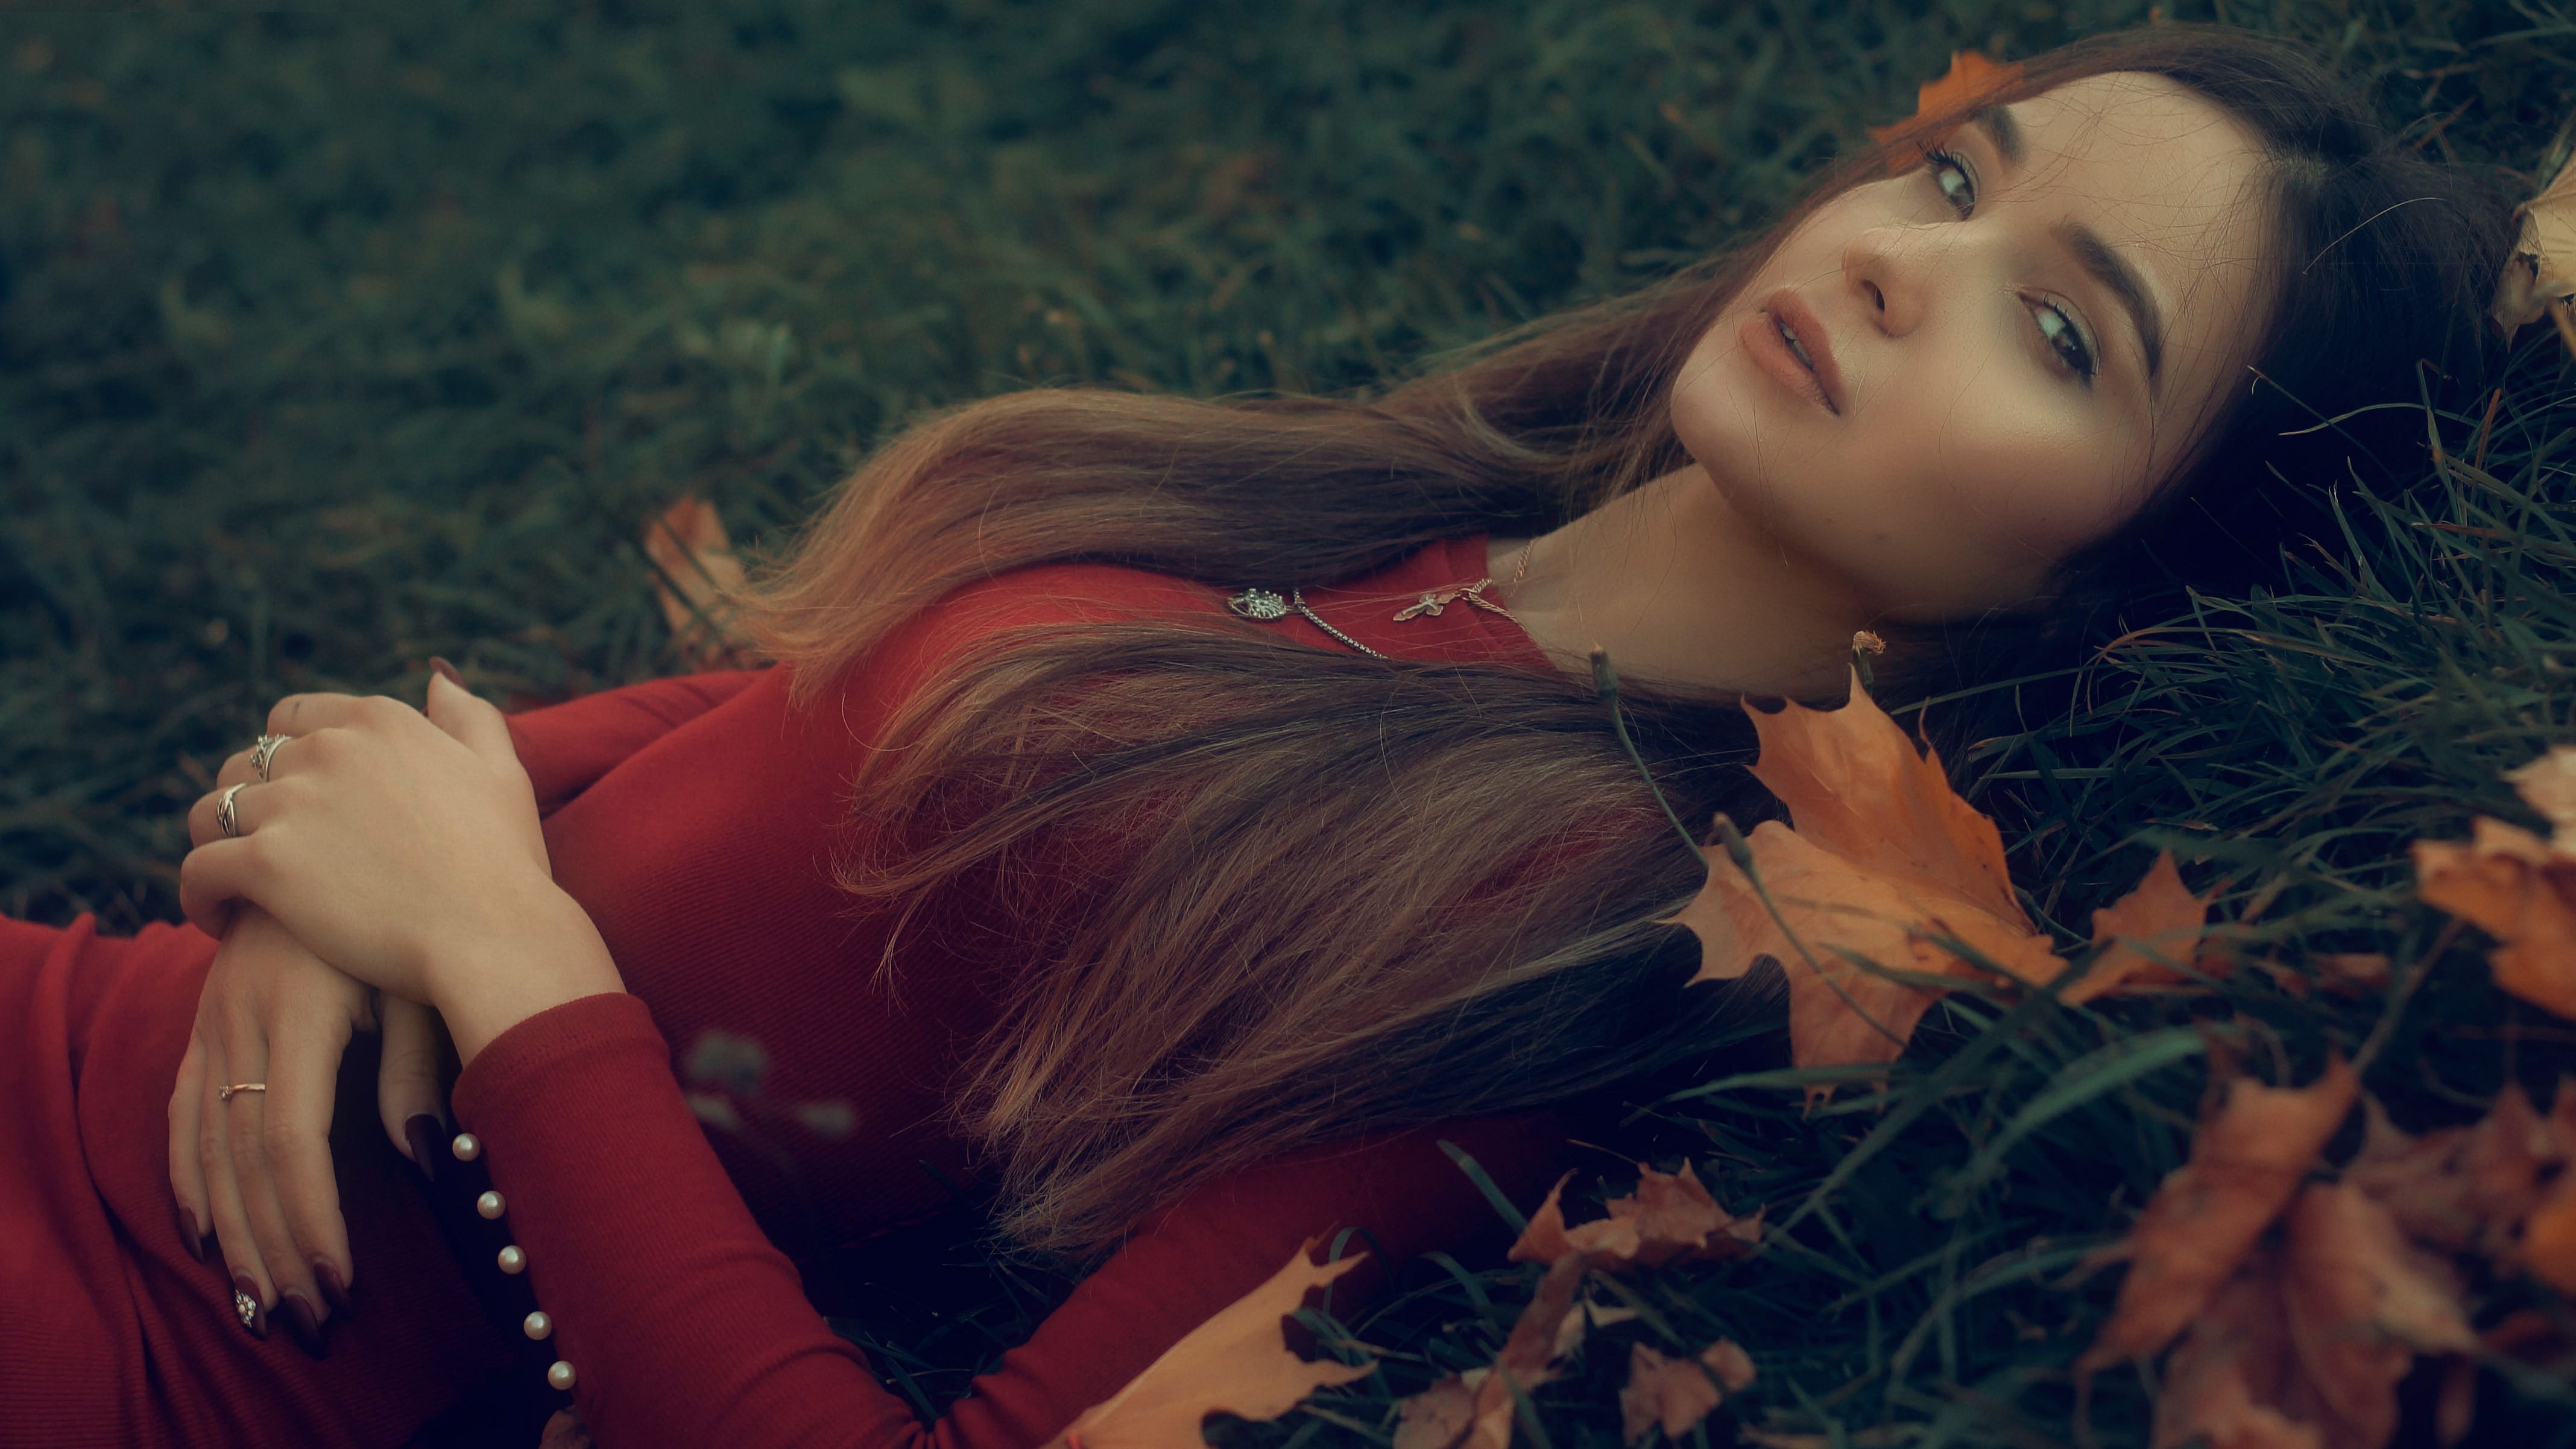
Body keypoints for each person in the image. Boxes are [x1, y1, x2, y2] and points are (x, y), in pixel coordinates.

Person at [0, 22, 2510, 1449]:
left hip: (205, 1335)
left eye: (2060, 331)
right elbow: (802, 720)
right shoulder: (1422, 513)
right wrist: (334, 861)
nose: (1897, 261)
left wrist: (500, 958)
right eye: (1955, 177)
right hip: (98, 1031)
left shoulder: (1576, 928)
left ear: (2119, 580)